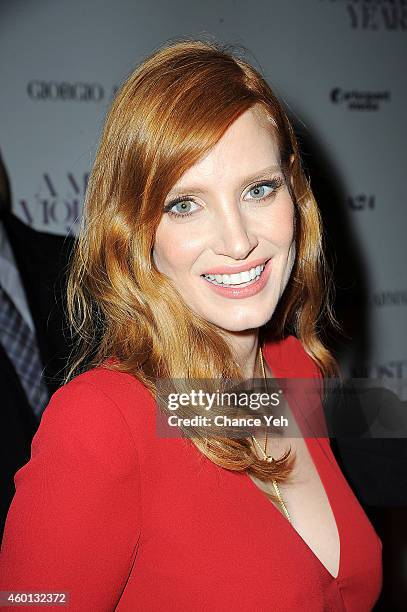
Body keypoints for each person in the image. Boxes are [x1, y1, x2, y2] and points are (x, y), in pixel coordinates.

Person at [0, 39, 382, 611]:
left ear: (295, 196)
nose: (238, 240)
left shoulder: (292, 366)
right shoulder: (103, 423)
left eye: (259, 189)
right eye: (185, 203)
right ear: (136, 232)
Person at [0, 151, 74, 542]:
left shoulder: (77, 265)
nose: (236, 242)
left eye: (258, 191)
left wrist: (284, 411)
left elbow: (169, 402)